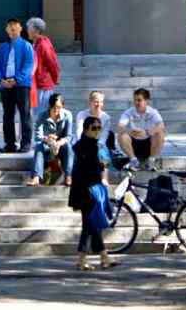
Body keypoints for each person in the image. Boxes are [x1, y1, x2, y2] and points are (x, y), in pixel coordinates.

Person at [69, 115, 119, 271]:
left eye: (99, 128)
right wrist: (101, 165)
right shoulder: (88, 147)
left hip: (86, 189)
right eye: (94, 128)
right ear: (86, 129)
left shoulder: (87, 145)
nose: (97, 131)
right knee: (89, 225)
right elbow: (86, 170)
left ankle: (104, 257)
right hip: (87, 190)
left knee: (92, 225)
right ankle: (82, 260)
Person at [0, 17, 35, 154]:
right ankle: (10, 144)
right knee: (8, 115)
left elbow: (28, 66)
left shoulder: (26, 46)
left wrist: (16, 79)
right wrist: (0, 79)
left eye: (15, 27)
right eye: (9, 27)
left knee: (25, 115)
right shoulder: (2, 47)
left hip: (22, 85)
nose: (12, 29)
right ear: (6, 30)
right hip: (6, 85)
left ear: (20, 29)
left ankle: (26, 144)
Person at [115, 88, 166, 172]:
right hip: (134, 146)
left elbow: (161, 125)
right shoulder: (129, 112)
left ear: (147, 101)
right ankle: (134, 161)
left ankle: (151, 161)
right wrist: (129, 131)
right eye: (135, 100)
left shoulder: (153, 112)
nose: (136, 103)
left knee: (160, 133)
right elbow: (120, 126)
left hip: (149, 146)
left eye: (139, 100)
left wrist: (146, 132)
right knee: (122, 135)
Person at [29, 92, 73, 187]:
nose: (56, 110)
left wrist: (60, 142)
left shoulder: (67, 115)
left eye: (59, 107)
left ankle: (68, 175)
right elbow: (37, 136)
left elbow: (69, 136)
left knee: (68, 147)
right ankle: (36, 176)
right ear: (49, 106)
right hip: (47, 145)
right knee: (38, 147)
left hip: (61, 146)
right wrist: (47, 139)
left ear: (63, 106)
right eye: (54, 107)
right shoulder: (42, 116)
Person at [72, 90, 113, 176]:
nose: (98, 105)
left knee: (103, 153)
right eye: (96, 102)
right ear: (90, 102)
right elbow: (79, 131)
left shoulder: (106, 118)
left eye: (101, 102)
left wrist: (97, 145)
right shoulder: (81, 115)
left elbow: (104, 136)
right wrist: (85, 144)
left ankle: (104, 178)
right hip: (83, 142)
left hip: (99, 144)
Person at [28, 17, 60, 115]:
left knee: (41, 114)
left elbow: (52, 63)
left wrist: (55, 78)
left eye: (30, 28)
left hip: (43, 85)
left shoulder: (43, 45)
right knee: (36, 113)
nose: (28, 30)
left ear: (36, 30)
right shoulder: (35, 44)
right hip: (36, 84)